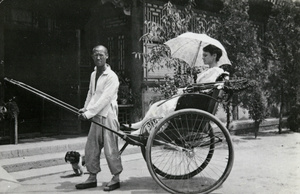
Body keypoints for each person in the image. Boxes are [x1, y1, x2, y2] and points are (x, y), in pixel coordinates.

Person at [127, 44, 227, 133]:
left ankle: (147, 130)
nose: (203, 58)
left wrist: (192, 87)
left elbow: (206, 88)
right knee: (156, 105)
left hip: (199, 101)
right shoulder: (209, 71)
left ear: (214, 56)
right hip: (196, 98)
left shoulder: (217, 72)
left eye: (205, 55)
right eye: (203, 55)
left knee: (164, 106)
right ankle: (142, 125)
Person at [75, 45, 123, 191]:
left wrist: (88, 114)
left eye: (101, 55)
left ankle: (116, 178)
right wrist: (85, 108)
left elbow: (105, 99)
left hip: (108, 114)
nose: (98, 57)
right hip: (96, 115)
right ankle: (92, 176)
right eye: (95, 54)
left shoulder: (112, 76)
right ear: (92, 56)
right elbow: (92, 93)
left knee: (110, 148)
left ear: (107, 56)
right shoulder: (93, 74)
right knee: (91, 147)